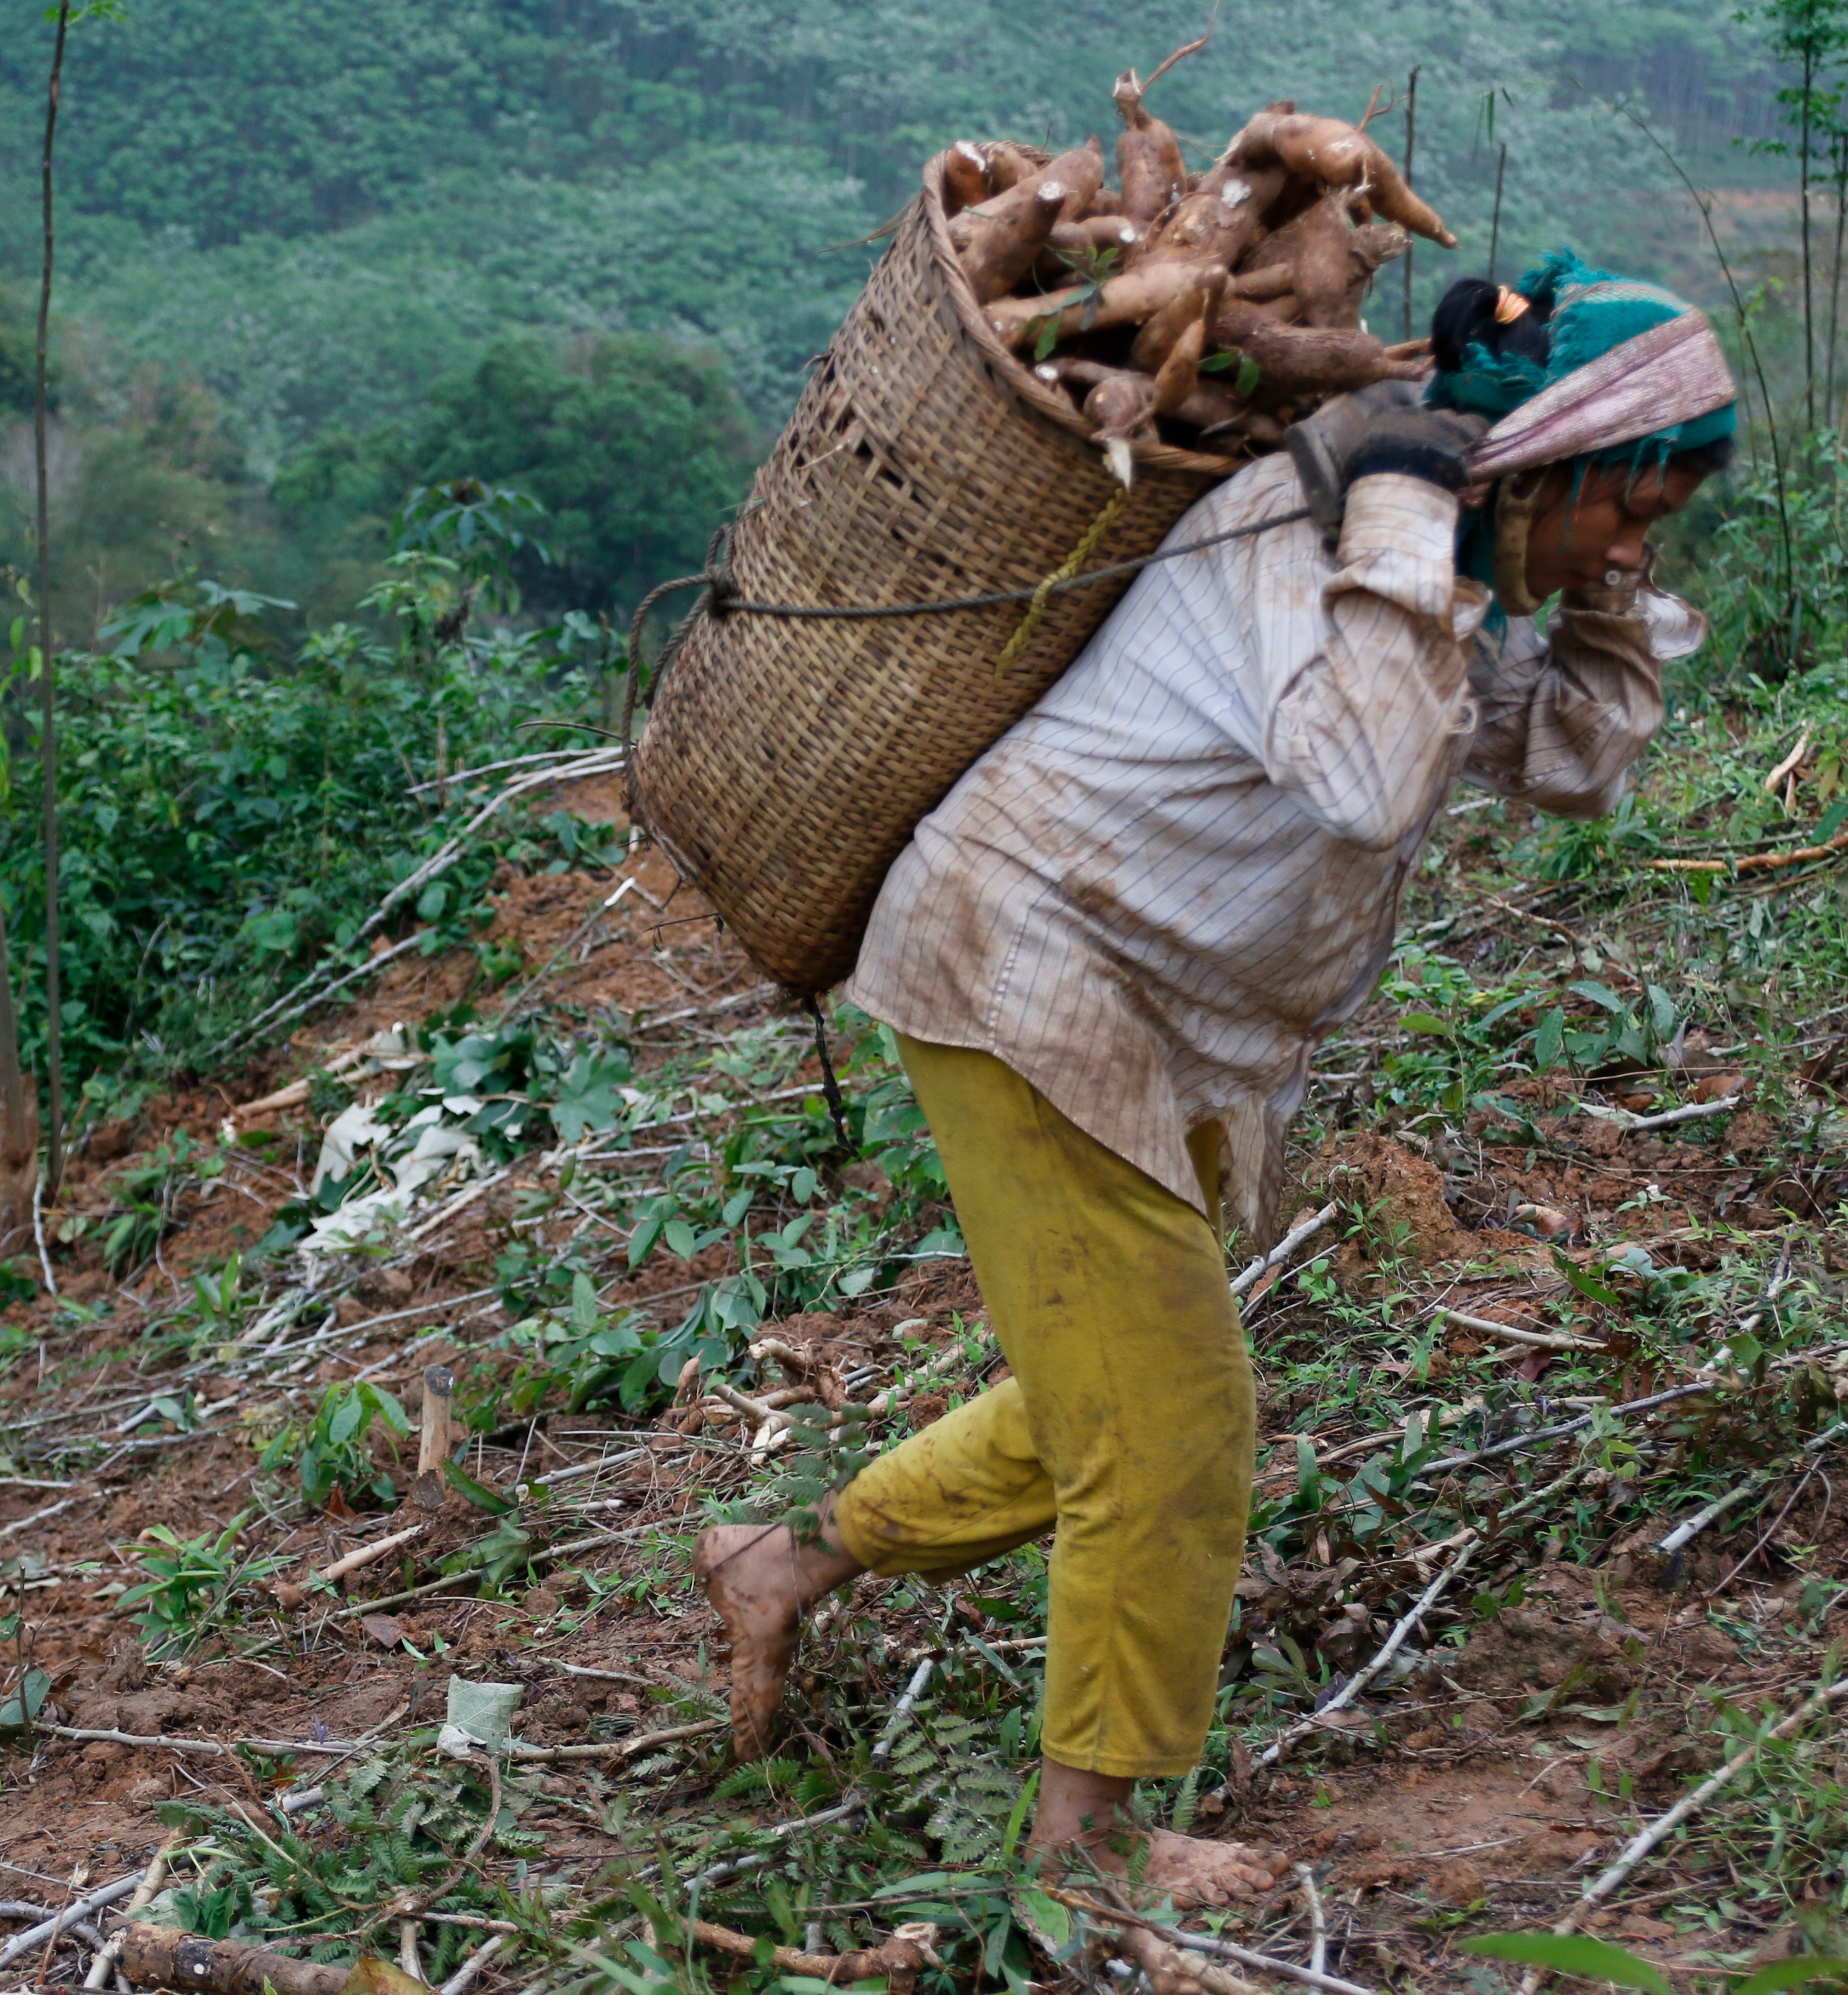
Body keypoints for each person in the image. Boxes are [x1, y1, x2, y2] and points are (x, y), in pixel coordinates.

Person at [694, 256, 1741, 1903]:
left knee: (1100, 1401)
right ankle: (1086, 1857)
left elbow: (1578, 760)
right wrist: (1414, 515)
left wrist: (1580, 579)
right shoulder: (1311, 528)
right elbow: (1366, 779)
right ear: (1537, 460)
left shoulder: (1442, 589)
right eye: (1631, 506)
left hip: (1149, 1007)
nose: (1638, 543)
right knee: (1176, 1429)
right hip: (1027, 966)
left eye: (1663, 518)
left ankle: (785, 1558)